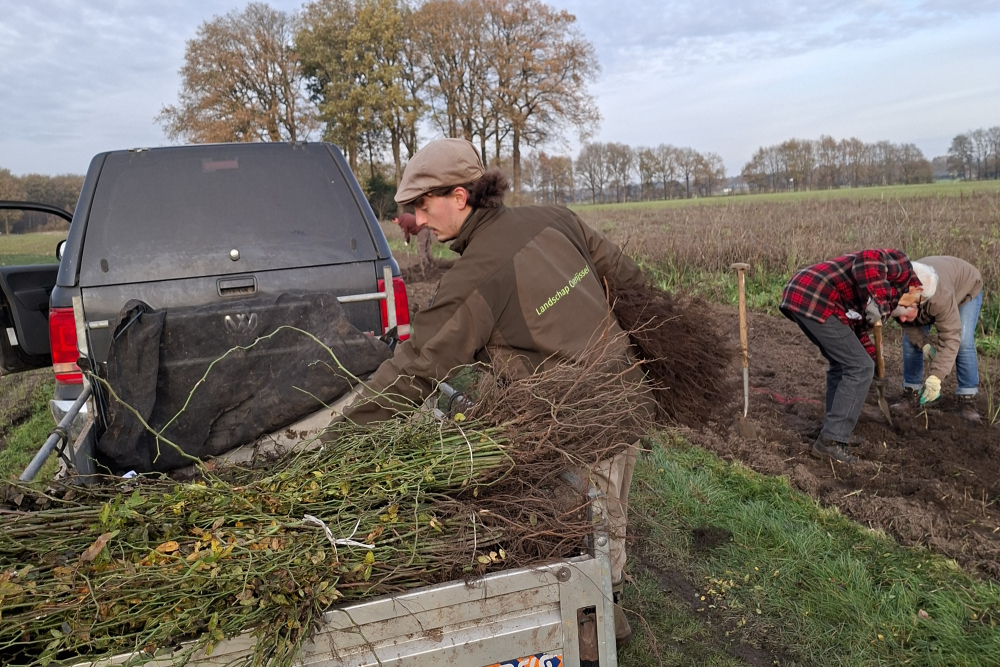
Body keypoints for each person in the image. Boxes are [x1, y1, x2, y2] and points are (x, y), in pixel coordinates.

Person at [344, 138, 647, 647]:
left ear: (459, 197)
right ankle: (607, 610)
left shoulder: (478, 271)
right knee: (609, 514)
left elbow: (416, 365)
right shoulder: (555, 218)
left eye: (424, 206)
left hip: (580, 423)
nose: (419, 220)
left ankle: (601, 632)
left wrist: (342, 438)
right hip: (625, 397)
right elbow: (631, 282)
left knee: (588, 537)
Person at [780, 249, 922, 463]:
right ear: (917, 296)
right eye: (908, 315)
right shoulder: (903, 269)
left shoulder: (889, 299)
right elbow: (868, 258)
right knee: (859, 367)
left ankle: (833, 429)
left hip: (809, 297)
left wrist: (876, 364)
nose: (902, 320)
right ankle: (831, 441)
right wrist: (879, 301)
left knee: (845, 363)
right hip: (814, 294)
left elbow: (856, 334)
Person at [891, 256, 983, 422]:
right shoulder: (896, 293)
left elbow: (950, 336)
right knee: (910, 343)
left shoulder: (940, 298)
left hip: (965, 287)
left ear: (917, 302)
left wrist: (936, 377)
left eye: (905, 314)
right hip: (928, 292)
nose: (901, 320)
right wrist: (923, 344)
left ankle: (967, 397)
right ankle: (912, 392)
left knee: (963, 341)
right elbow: (905, 322)